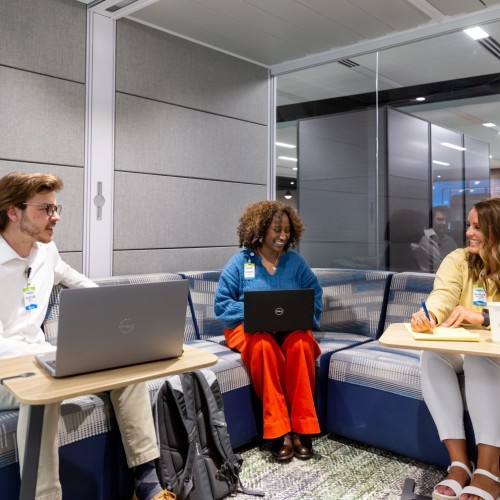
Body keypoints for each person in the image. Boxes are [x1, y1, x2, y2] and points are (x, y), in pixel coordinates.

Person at [0, 172, 173, 500]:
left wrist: (124, 318)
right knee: (44, 395)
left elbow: (83, 287)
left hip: (43, 361)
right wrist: (49, 358)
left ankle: (147, 481)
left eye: (56, 207)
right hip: (6, 374)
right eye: (46, 209)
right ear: (13, 211)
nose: (57, 217)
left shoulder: (45, 253)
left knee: (126, 368)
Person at [214, 201, 323, 461]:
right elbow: (221, 305)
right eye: (277, 230)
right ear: (260, 229)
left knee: (301, 344)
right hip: (249, 330)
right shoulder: (240, 262)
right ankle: (278, 430)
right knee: (263, 346)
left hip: (289, 329)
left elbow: (315, 297)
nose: (283, 236)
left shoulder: (296, 263)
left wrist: (302, 317)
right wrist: (253, 313)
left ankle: (301, 427)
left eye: (286, 230)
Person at [410, 198, 500, 500]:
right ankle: (460, 463)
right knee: (432, 356)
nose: (469, 233)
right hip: (462, 345)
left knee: (479, 360)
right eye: (469, 225)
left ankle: (490, 470)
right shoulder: (459, 259)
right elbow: (443, 294)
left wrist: (484, 316)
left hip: (494, 352)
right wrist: (430, 316)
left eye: (478, 227)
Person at [413, 205, 458, 272]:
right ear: (431, 221)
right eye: (440, 219)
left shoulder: (450, 240)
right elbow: (440, 265)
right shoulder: (424, 239)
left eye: (447, 220)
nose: (444, 223)